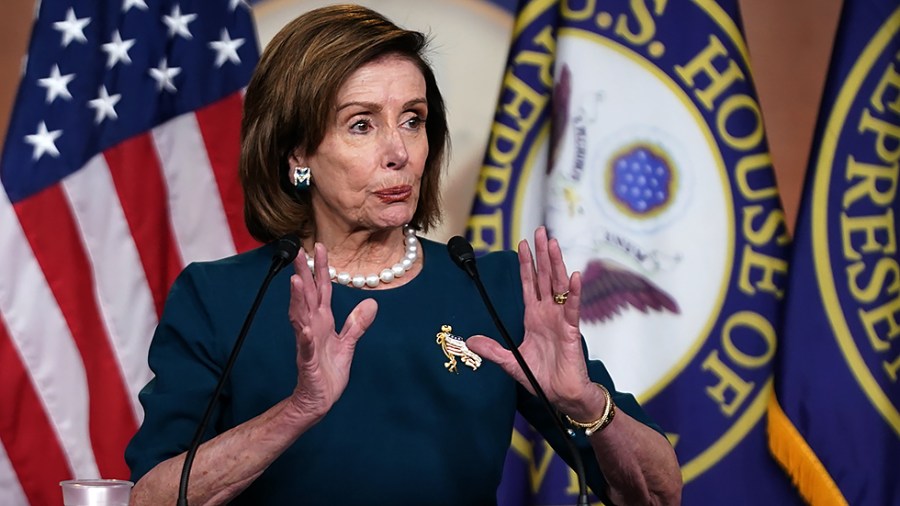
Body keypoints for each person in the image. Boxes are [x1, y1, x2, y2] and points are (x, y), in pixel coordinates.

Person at [125, 4, 682, 505]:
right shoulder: (221, 299)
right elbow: (151, 499)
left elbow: (658, 495)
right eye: (361, 125)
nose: (398, 152)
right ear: (298, 153)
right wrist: (299, 410)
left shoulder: (493, 288)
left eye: (412, 120)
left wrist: (585, 403)